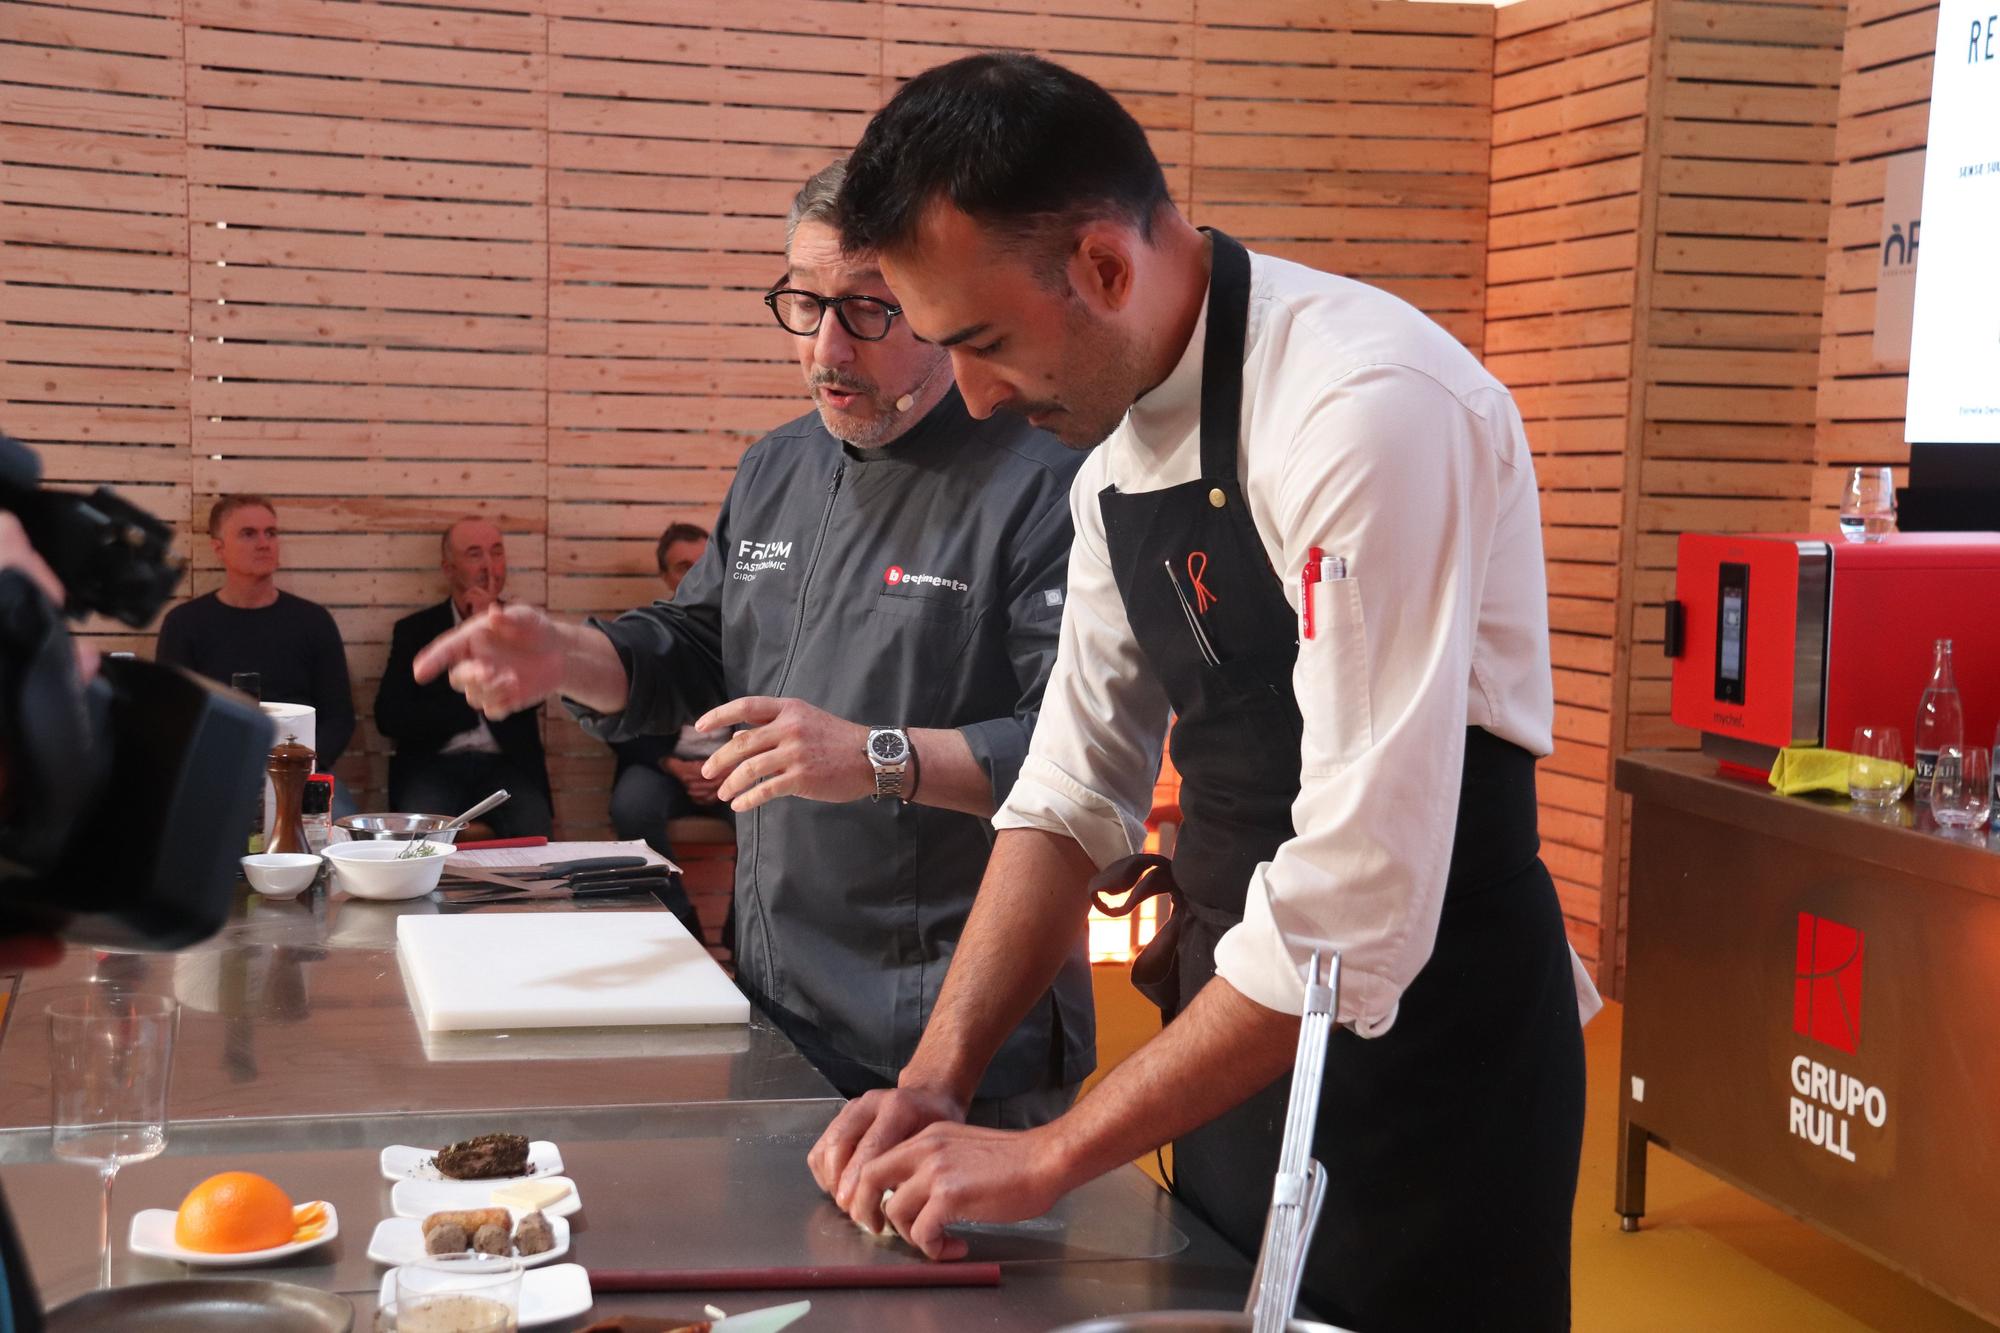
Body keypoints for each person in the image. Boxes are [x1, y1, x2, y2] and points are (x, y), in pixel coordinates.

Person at [803, 55, 1602, 1332]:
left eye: (985, 341)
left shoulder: (1360, 409)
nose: (974, 396)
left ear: (1106, 268)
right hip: (1231, 1026)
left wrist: (1054, 1150)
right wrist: (937, 1080)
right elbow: (1068, 792)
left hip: (1430, 1060)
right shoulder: (1108, 462)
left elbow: (1355, 903)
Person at [410, 159, 1094, 1126]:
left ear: (941, 305)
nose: (827, 348)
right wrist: (572, 655)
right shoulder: (780, 464)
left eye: (867, 310)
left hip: (960, 1034)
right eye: (803, 303)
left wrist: (870, 756)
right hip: (776, 994)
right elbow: (696, 647)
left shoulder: (1044, 481)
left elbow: (1076, 758)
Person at [155, 495, 357, 811]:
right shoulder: (185, 623)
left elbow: (339, 716)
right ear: (218, 547)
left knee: (339, 822)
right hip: (216, 772)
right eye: (249, 534)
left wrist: (303, 764)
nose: (264, 543)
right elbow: (172, 714)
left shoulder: (312, 620)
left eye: (271, 533)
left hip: (302, 769)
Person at [374, 518, 552, 838]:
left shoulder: (522, 626)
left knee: (534, 828)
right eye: (474, 554)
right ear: (449, 568)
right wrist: (468, 706)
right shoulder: (415, 631)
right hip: (433, 765)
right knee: (419, 838)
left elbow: (532, 697)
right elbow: (390, 717)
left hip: (506, 765)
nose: (489, 565)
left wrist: (491, 626)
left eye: (496, 553)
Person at [607, 523, 731, 858]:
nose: (695, 576)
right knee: (631, 806)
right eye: (683, 567)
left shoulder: (745, 632)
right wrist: (673, 765)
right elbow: (617, 725)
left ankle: (739, 913)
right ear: (664, 575)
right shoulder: (643, 636)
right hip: (664, 766)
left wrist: (728, 766)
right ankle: (676, 909)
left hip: (733, 764)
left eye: (703, 565)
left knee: (770, 809)